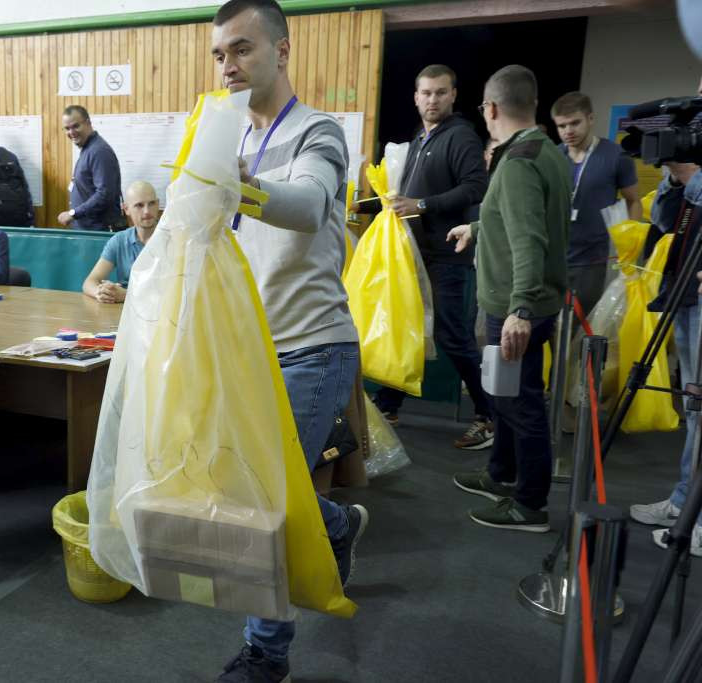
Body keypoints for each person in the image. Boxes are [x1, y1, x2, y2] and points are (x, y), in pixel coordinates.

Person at [211, 2, 367, 680]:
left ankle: (266, 655)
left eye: (241, 49)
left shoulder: (318, 131)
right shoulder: (227, 142)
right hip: (247, 350)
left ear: (282, 50)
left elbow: (307, 207)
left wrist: (234, 185)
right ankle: (335, 524)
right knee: (268, 496)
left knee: (264, 505)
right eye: (219, 55)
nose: (228, 66)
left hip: (313, 346)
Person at [447, 65, 571, 533]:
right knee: (506, 396)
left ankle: (529, 503)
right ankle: (501, 475)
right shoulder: (545, 151)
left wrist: (519, 309)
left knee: (520, 403)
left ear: (491, 108)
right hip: (528, 302)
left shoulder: (517, 161)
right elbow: (521, 219)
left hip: (516, 308)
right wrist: (477, 228)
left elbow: (530, 240)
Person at [365, 64, 492, 449]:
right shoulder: (420, 139)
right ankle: (388, 406)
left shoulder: (461, 137)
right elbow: (405, 196)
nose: (432, 99)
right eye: (426, 93)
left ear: (453, 95)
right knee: (408, 328)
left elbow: (475, 187)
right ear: (416, 97)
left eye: (440, 92)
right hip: (413, 255)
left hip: (445, 257)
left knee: (453, 336)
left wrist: (421, 204)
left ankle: (487, 417)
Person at [629, 154, 701, 557]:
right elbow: (662, 220)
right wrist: (675, 181)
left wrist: (694, 177)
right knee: (695, 409)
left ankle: (698, 521)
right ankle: (684, 502)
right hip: (688, 288)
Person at [551, 91, 641, 315]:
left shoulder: (615, 155)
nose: (568, 131)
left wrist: (630, 246)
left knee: (582, 327)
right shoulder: (551, 157)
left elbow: (633, 200)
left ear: (590, 118)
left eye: (575, 123)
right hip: (552, 256)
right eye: (561, 126)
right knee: (548, 327)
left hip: (592, 258)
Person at [81, 181, 159, 303]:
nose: (147, 211)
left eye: (152, 203)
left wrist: (127, 295)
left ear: (158, 204)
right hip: (123, 313)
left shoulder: (173, 240)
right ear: (126, 209)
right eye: (139, 205)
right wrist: (102, 292)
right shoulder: (119, 240)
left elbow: (173, 292)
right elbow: (89, 282)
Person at [58, 105, 124, 231]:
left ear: (88, 123)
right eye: (67, 128)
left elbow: (104, 194)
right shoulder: (88, 150)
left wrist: (73, 213)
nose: (71, 132)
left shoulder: (99, 151)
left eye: (76, 126)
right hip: (88, 231)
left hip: (98, 233)